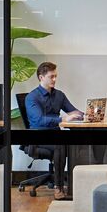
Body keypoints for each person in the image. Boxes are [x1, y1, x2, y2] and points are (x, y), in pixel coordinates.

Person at [24, 61, 82, 198]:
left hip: (55, 135)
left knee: (73, 144)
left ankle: (75, 185)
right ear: (41, 77)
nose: (54, 80)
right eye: (51, 77)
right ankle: (59, 187)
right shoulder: (32, 97)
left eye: (55, 76)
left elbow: (72, 111)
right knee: (60, 145)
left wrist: (87, 115)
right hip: (37, 138)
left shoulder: (59, 95)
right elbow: (38, 120)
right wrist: (62, 120)